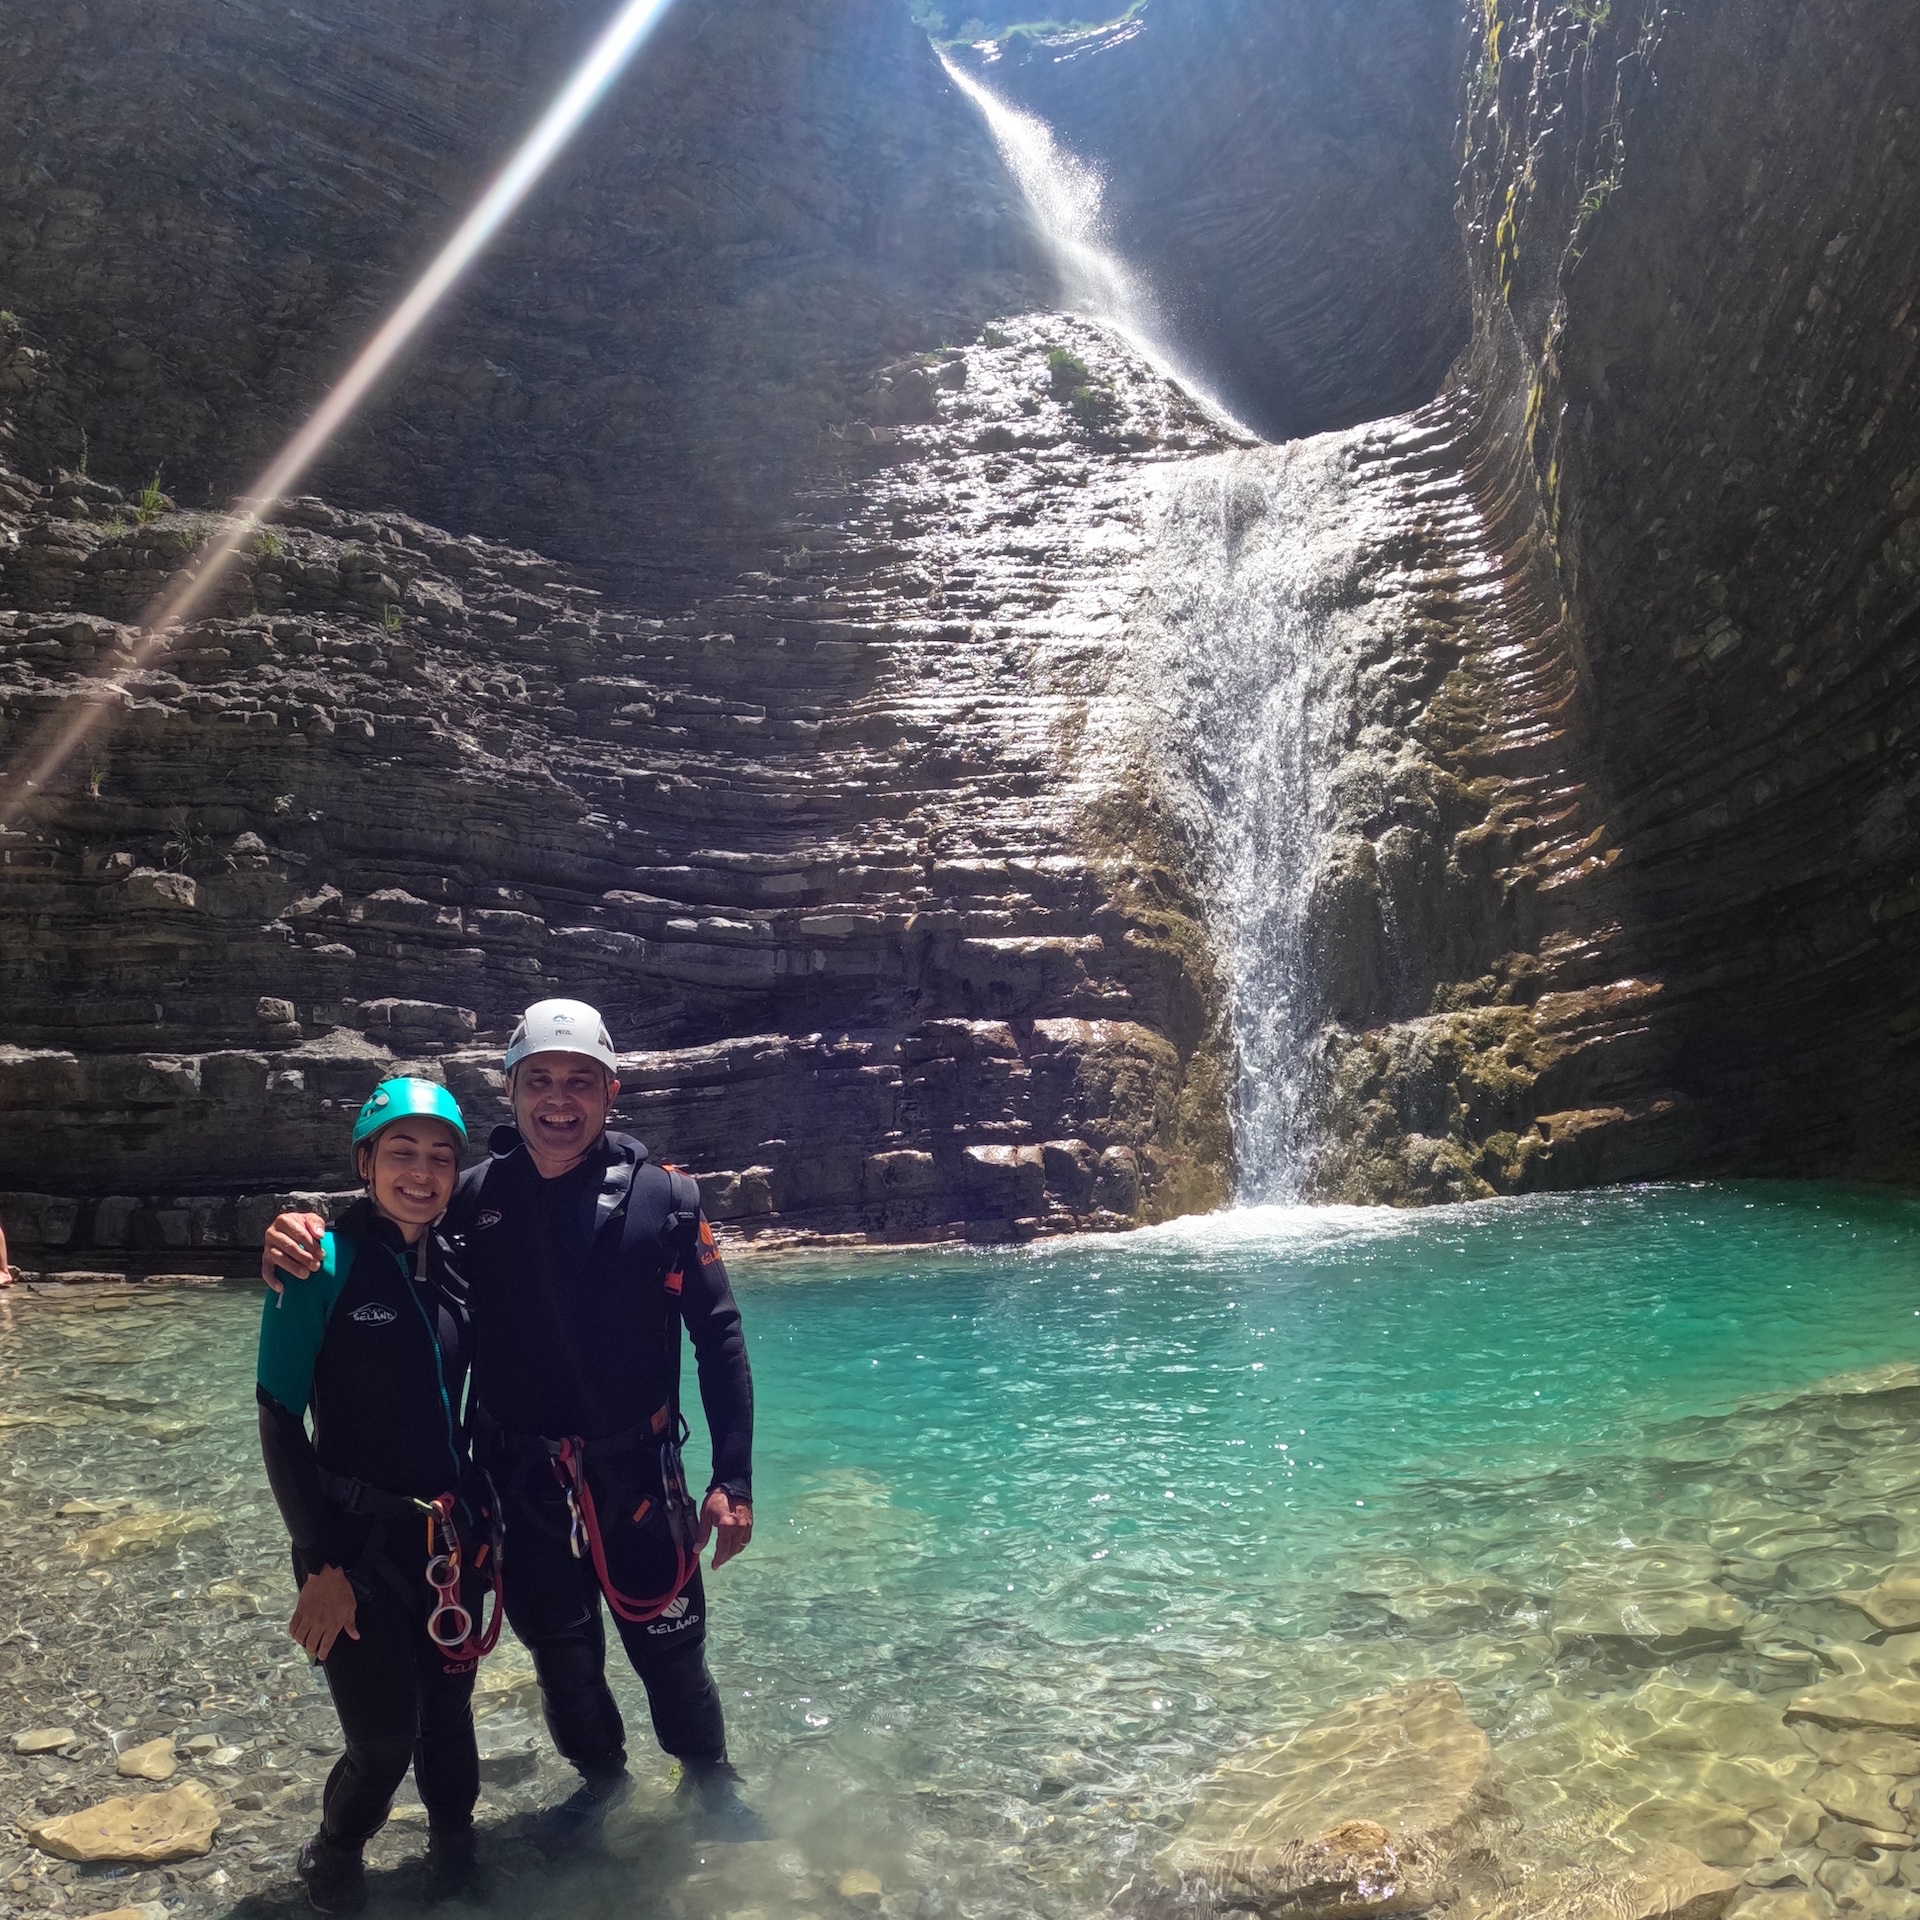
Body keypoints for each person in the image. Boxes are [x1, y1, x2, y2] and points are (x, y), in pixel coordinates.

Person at [263, 999, 756, 1841]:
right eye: (539, 1082)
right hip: (516, 1484)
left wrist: (733, 1479)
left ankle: (710, 1784)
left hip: (639, 1476)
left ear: (611, 1091)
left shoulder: (668, 1201)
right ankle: (603, 1788)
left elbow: (720, 1336)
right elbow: (385, 1226)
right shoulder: (472, 1202)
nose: (558, 1101)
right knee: (564, 1664)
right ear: (511, 1090)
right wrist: (291, 1236)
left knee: (672, 1657)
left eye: (579, 1083)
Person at [257, 1078, 496, 1913]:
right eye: (401, 1152)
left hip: (445, 1538)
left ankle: (457, 1852)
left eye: (440, 1157)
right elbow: (279, 1417)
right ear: (365, 1162)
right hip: (350, 1545)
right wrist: (319, 1562)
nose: (422, 1173)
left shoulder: (461, 1264)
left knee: (451, 1716)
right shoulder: (315, 1262)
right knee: (383, 1739)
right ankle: (333, 1854)